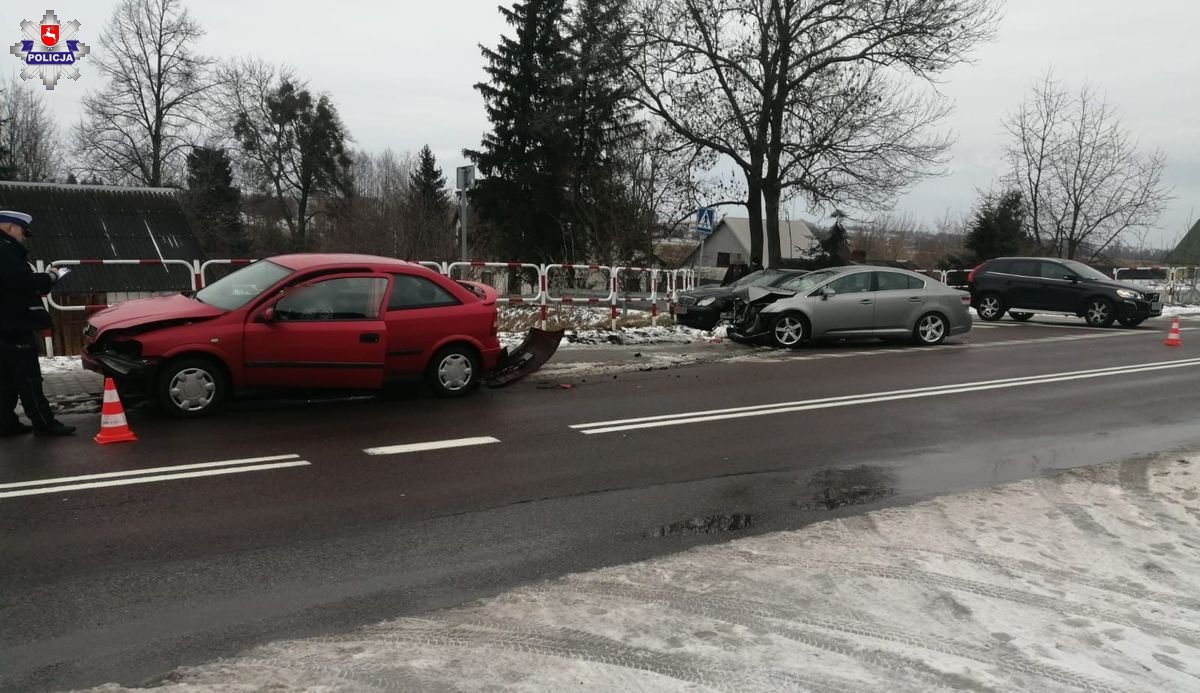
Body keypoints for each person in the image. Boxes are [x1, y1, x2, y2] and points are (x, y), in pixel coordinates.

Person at [0, 210, 76, 436]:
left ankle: (5, 423)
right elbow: (21, 282)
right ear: (10, 228)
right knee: (28, 377)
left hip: (4, 325)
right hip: (14, 324)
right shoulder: (6, 250)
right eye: (23, 231)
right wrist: (50, 278)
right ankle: (44, 423)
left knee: (6, 379)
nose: (24, 237)